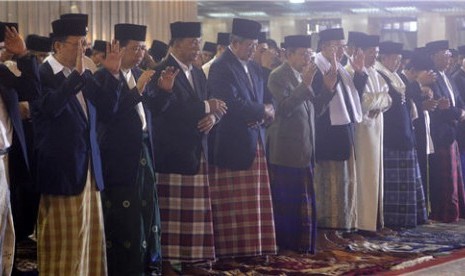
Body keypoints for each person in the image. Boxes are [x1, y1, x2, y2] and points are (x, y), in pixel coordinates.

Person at [31, 17, 123, 275]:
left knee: (89, 240)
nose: (82, 49)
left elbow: (109, 109)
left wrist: (114, 74)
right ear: (58, 46)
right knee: (63, 244)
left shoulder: (83, 72)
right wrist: (76, 80)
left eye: (84, 43)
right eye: (77, 44)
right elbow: (49, 108)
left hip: (89, 168)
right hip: (62, 169)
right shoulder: (43, 74)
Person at [153, 21, 226, 275]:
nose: (197, 47)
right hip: (172, 152)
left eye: (198, 41)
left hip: (196, 151)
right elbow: (171, 110)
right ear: (175, 43)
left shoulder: (196, 72)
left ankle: (189, 262)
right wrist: (208, 107)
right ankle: (166, 263)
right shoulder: (162, 70)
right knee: (171, 217)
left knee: (192, 217)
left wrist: (213, 118)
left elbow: (214, 108)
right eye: (191, 42)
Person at [95, 23, 165, 275]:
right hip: (119, 156)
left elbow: (153, 110)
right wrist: (137, 91)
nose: (140, 54)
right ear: (118, 48)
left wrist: (164, 92)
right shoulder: (102, 77)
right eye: (135, 48)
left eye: (143, 48)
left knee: (147, 211)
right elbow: (109, 113)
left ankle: (150, 263)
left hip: (144, 151)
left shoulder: (138, 73)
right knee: (126, 218)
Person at [208, 18, 277, 260]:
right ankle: (235, 252)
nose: (254, 50)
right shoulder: (221, 66)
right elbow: (230, 103)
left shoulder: (256, 67)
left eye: (256, 45)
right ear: (235, 43)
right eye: (250, 45)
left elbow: (269, 99)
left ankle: (255, 248)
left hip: (255, 138)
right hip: (233, 143)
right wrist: (261, 111)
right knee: (234, 205)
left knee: (255, 202)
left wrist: (268, 111)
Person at [266, 35, 332, 254]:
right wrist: (304, 84)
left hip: (305, 149)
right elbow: (283, 109)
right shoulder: (278, 76)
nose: (307, 59)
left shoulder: (304, 76)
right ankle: (286, 246)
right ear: (288, 54)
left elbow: (315, 110)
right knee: (287, 204)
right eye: (303, 54)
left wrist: (328, 90)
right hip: (286, 151)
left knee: (303, 204)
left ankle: (303, 246)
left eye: (309, 54)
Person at [313, 28, 362, 244]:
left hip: (343, 132)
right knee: (327, 185)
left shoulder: (340, 67)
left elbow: (351, 101)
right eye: (336, 46)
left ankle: (338, 229)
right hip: (327, 136)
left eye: (343, 46)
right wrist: (327, 86)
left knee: (343, 184)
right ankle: (324, 231)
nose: (341, 50)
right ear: (324, 46)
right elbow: (317, 105)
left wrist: (359, 75)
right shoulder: (316, 66)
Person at [0, 23, 40, 276]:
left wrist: (23, 55)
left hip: (4, 158)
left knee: (5, 223)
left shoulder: (2, 72)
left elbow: (32, 90)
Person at [375, 41, 428, 228]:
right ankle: (394, 221)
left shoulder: (397, 76)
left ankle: (409, 219)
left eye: (399, 60)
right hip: (390, 136)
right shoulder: (378, 74)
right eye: (394, 59)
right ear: (384, 57)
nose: (398, 63)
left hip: (405, 133)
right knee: (393, 185)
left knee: (409, 180)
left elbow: (410, 98)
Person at [346, 34, 392, 233]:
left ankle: (375, 221)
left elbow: (389, 99)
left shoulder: (375, 73)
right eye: (371, 52)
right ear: (359, 52)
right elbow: (361, 103)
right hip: (362, 133)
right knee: (364, 177)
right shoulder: (350, 72)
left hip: (377, 130)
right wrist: (378, 100)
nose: (374, 56)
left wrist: (377, 101)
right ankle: (363, 224)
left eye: (376, 53)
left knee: (376, 177)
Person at [426, 40, 465, 222]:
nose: (448, 60)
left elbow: (455, 101)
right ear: (433, 57)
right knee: (444, 179)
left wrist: (459, 111)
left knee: (453, 179)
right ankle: (444, 214)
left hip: (452, 132)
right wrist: (459, 112)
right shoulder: (431, 78)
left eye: (449, 56)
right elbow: (439, 108)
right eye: (444, 56)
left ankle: (455, 212)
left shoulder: (447, 77)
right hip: (439, 134)